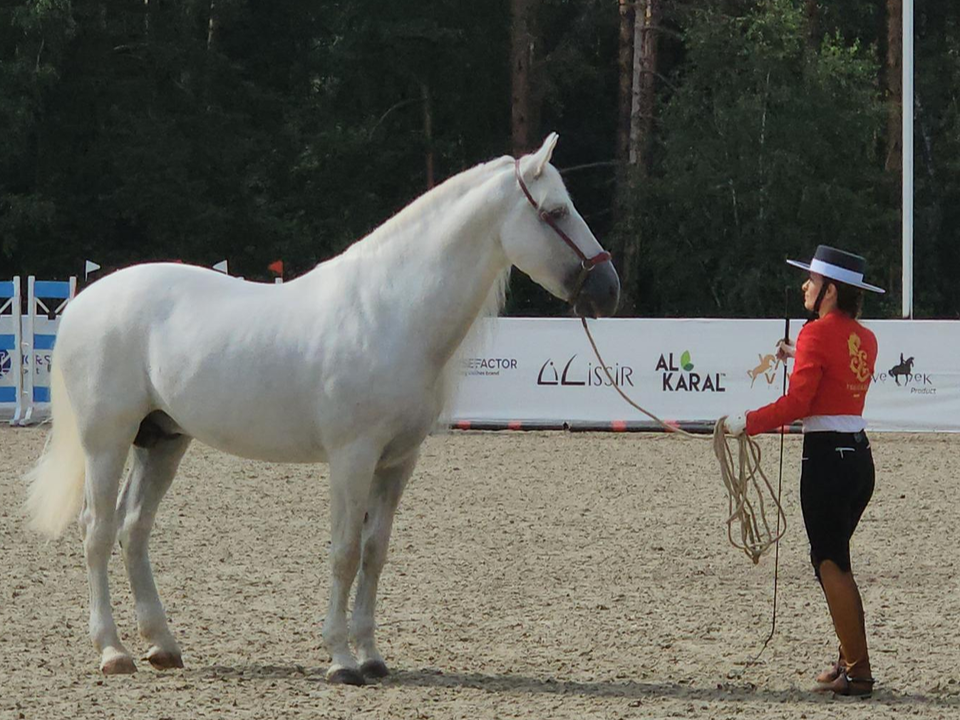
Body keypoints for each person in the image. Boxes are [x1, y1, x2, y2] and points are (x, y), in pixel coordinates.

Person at [723, 245, 884, 697]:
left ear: (829, 291)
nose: (805, 287)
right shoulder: (865, 337)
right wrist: (800, 353)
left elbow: (800, 405)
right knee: (838, 561)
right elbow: (836, 372)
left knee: (828, 562)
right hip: (858, 459)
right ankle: (848, 660)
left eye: (812, 282)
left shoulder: (816, 334)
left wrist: (747, 422)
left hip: (826, 461)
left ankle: (859, 670)